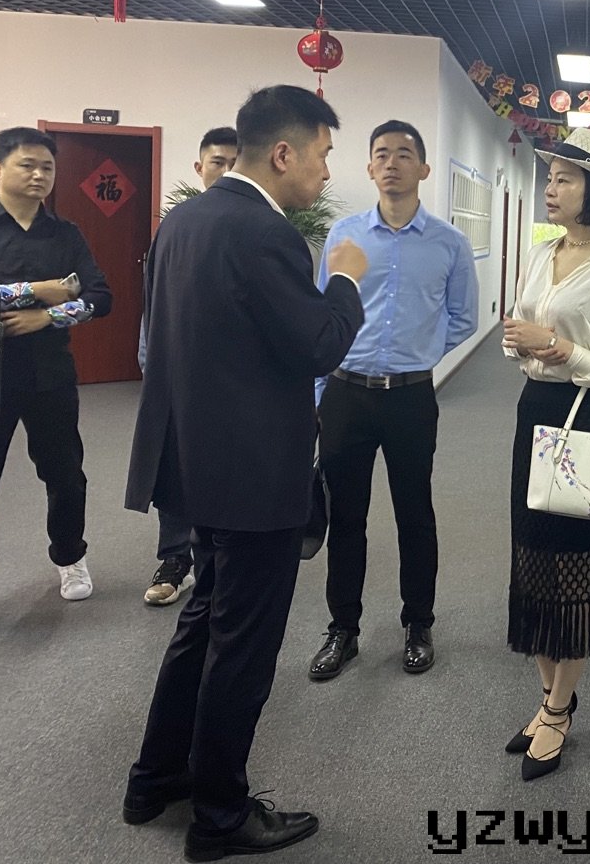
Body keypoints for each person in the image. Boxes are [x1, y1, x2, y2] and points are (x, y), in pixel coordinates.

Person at [120, 85, 366, 861]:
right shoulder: (265, 234)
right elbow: (319, 344)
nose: (326, 172)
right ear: (284, 153)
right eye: (323, 155)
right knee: (243, 649)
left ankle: (156, 778)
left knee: (203, 623)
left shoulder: (184, 221)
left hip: (195, 463)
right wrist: (345, 279)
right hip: (253, 475)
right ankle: (220, 817)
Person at [308, 120, 479, 681]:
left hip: (410, 398)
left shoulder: (449, 243)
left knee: (415, 514)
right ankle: (343, 629)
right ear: (368, 167)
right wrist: (319, 393)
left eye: (404, 154)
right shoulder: (344, 237)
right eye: (381, 153)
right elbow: (323, 314)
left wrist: (419, 351)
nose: (391, 163)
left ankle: (418, 624)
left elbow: (464, 319)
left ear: (423, 168)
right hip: (346, 394)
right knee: (346, 516)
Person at [500, 127, 590, 781]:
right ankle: (549, 695)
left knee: (574, 569)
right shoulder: (542, 252)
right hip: (534, 410)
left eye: (565, 179)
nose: (551, 188)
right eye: (550, 177)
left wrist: (558, 349)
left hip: (587, 421)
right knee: (531, 557)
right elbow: (521, 328)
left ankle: (558, 711)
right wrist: (522, 344)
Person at [0, 127, 112, 643]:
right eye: (27, 165)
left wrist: (48, 315)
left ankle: (70, 556)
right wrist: (39, 289)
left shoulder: (66, 234)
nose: (39, 175)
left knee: (66, 476)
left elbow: (99, 297)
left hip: (50, 373)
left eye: (47, 168)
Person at [142, 126, 239, 607]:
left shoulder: (256, 226)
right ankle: (174, 559)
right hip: (178, 376)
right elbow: (155, 300)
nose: (226, 171)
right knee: (176, 470)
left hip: (232, 383)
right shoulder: (178, 225)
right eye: (217, 162)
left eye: (234, 162)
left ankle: (217, 561)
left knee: (223, 473)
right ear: (200, 168)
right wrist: (151, 364)